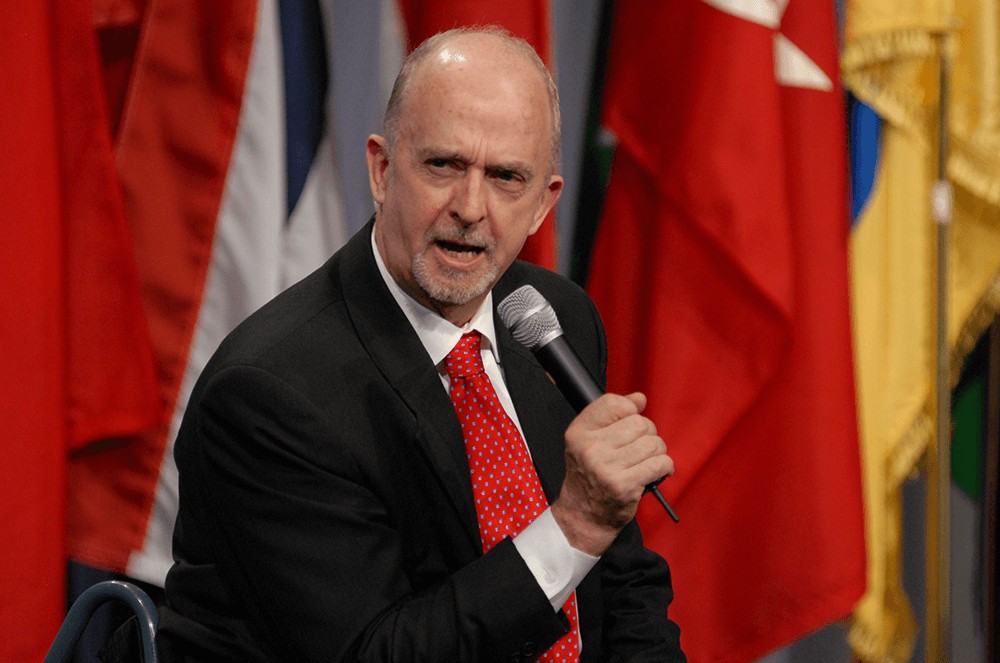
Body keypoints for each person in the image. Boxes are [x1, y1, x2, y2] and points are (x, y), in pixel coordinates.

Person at [156, 26, 686, 663]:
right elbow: (372, 652)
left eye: (506, 178)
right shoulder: (271, 393)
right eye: (443, 165)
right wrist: (572, 527)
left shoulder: (555, 319)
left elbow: (624, 587)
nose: (470, 207)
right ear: (381, 170)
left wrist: (594, 530)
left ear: (544, 205)